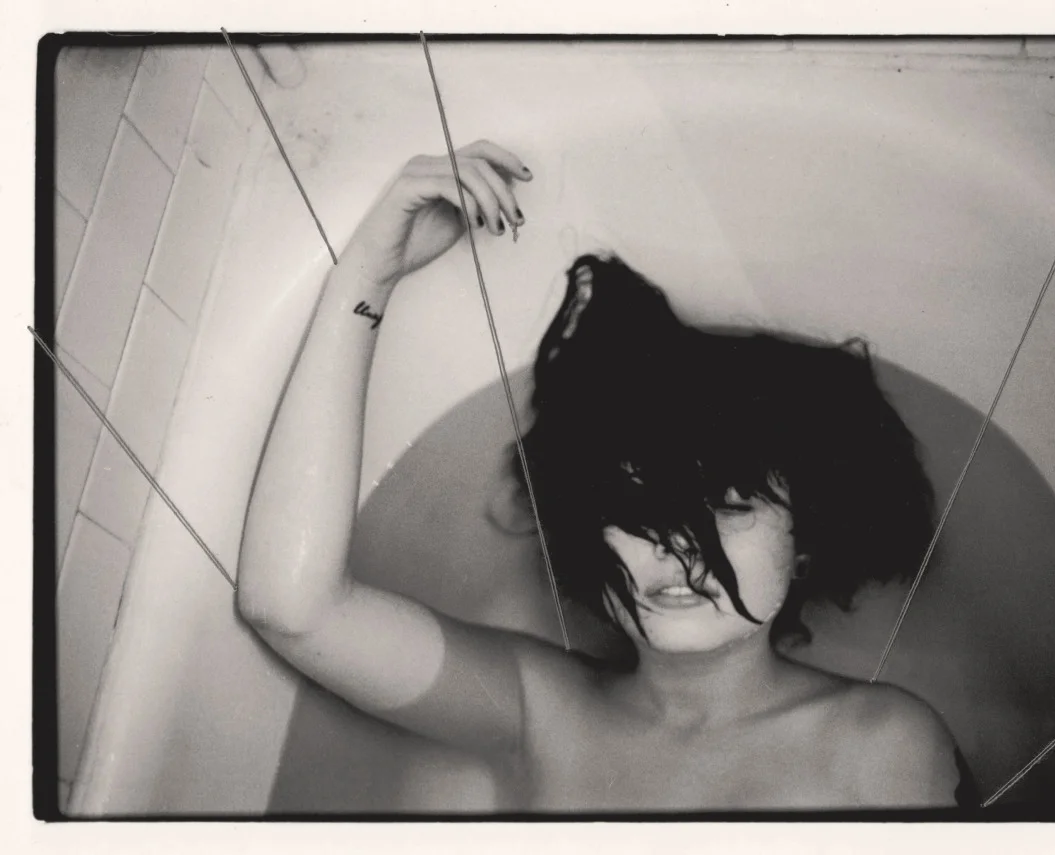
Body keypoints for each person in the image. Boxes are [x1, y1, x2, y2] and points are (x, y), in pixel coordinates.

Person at [237, 140, 976, 811]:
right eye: (638, 502)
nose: (679, 546)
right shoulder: (537, 710)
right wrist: (370, 272)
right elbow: (293, 608)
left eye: (730, 505)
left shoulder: (881, 743)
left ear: (804, 541)